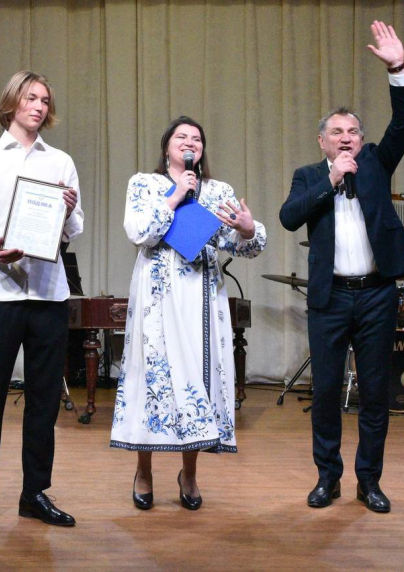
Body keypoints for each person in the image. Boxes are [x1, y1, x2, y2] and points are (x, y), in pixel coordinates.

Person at [279, 21, 404, 513]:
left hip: (377, 293)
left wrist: (398, 69)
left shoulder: (377, 163)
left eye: (353, 131)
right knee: (325, 393)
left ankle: (369, 482)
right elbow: (289, 217)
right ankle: (328, 479)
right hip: (330, 297)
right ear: (322, 142)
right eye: (336, 132)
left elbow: (403, 124)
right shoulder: (309, 176)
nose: (346, 138)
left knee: (375, 393)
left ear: (362, 140)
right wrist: (331, 181)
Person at [110, 116, 266, 510]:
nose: (189, 142)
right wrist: (175, 195)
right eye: (181, 136)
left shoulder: (217, 191)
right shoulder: (144, 184)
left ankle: (190, 474)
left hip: (201, 296)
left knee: (199, 376)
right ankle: (143, 471)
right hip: (157, 296)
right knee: (153, 376)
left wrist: (248, 230)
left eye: (196, 138)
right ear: (167, 147)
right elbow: (139, 232)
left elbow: (238, 244)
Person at [0, 70, 83, 537]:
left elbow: (75, 228)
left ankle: (34, 494)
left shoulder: (61, 162)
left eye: (45, 100)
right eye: (31, 98)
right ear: (12, 103)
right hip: (1, 291)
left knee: (44, 401)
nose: (39, 106)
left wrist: (67, 211)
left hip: (49, 293)